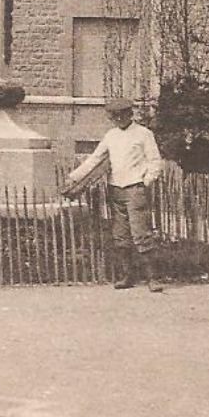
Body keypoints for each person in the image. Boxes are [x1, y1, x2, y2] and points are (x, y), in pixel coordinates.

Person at [62, 97, 167, 291]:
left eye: (121, 115)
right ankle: (127, 277)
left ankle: (153, 278)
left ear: (130, 114)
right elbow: (95, 158)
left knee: (141, 233)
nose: (118, 119)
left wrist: (147, 180)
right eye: (114, 116)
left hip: (135, 188)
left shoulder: (144, 134)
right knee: (120, 235)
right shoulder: (111, 135)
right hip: (115, 188)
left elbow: (155, 161)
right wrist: (74, 177)